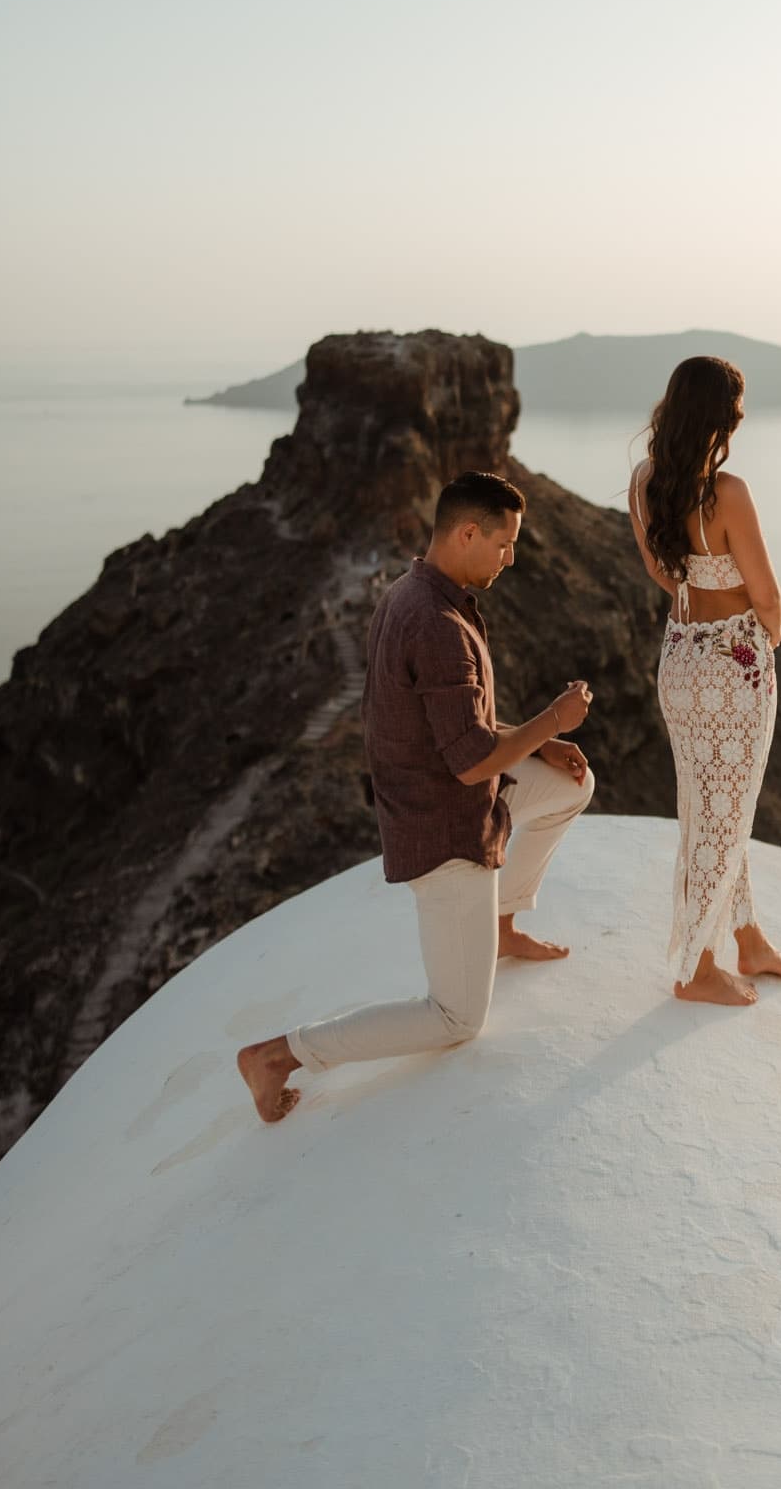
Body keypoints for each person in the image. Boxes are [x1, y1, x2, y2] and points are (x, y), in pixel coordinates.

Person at [238, 470, 594, 1122]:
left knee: (570, 784)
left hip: (460, 795)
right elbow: (470, 764)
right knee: (457, 1017)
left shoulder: (417, 593)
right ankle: (278, 1056)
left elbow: (461, 732)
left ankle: (502, 922)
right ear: (466, 533)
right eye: (504, 544)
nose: (511, 559)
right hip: (446, 830)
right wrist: (551, 722)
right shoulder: (437, 624)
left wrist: (538, 747)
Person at [628, 356, 781, 1007]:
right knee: (721, 819)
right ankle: (697, 967)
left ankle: (747, 937)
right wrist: (769, 636)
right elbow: (768, 597)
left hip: (680, 660)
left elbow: (664, 573)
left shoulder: (645, 482)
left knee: (714, 806)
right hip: (734, 668)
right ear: (725, 415)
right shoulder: (726, 493)